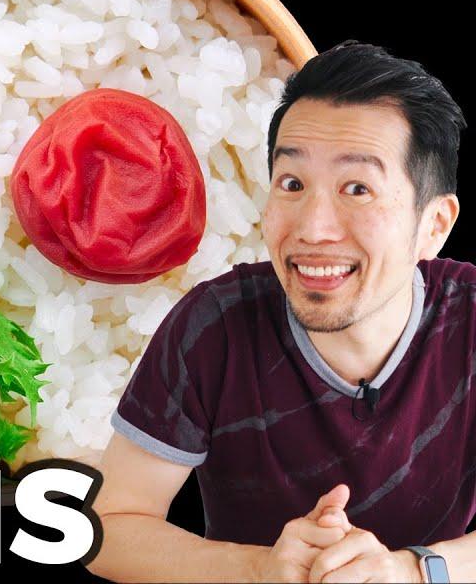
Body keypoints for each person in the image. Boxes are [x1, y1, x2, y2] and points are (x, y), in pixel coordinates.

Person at [86, 42, 474, 583]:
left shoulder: (471, 317)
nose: (313, 228)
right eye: (292, 184)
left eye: (357, 188)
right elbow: (107, 527)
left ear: (434, 224)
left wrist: (412, 569)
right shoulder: (214, 324)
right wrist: (261, 566)